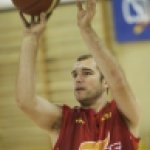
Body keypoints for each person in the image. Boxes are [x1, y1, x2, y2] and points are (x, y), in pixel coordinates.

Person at [16, 0, 141, 149]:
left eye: (87, 73)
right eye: (75, 75)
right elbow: (25, 102)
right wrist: (30, 39)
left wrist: (86, 29)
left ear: (105, 82)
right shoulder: (62, 121)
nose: (78, 79)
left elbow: (118, 81)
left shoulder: (125, 115)